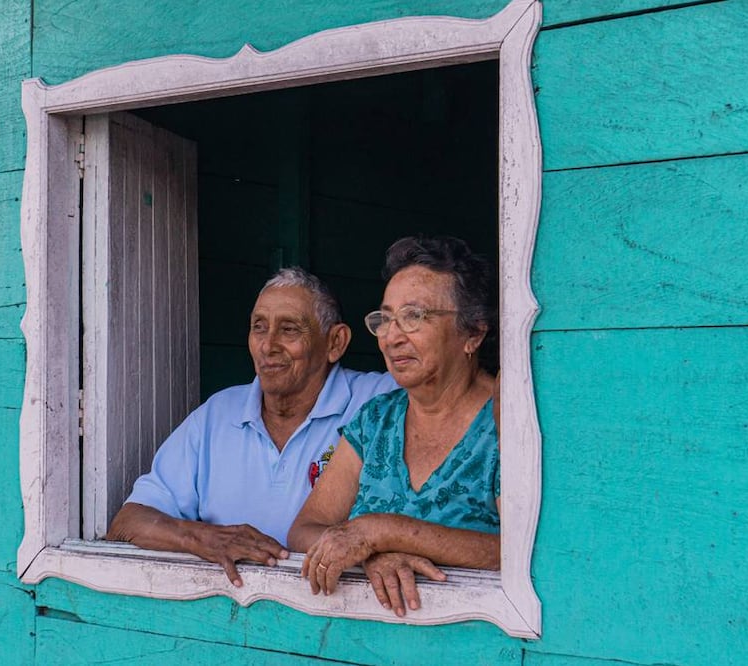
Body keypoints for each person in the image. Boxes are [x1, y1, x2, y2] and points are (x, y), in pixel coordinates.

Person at [107, 267, 397, 587]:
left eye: (289, 329)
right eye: (259, 327)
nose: (268, 345)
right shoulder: (217, 415)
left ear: (335, 342)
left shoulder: (380, 400)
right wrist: (202, 538)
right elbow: (128, 523)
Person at [287, 236, 500, 617]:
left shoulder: (506, 419)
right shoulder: (376, 419)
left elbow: (517, 552)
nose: (392, 336)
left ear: (473, 333)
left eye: (414, 317)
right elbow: (305, 529)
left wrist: (382, 532)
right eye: (385, 319)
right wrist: (370, 553)